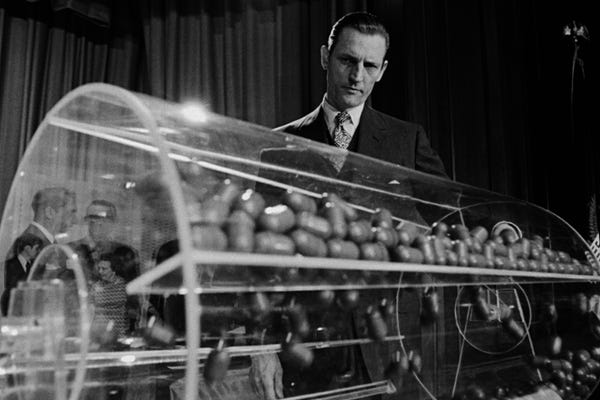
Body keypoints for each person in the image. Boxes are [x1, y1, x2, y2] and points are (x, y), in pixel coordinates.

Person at [276, 12, 447, 179]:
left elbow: (448, 199)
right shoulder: (280, 141)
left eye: (370, 65)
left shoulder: (409, 141)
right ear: (325, 58)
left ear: (382, 71)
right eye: (347, 60)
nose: (356, 77)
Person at [1, 233, 43, 315]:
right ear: (27, 248)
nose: (38, 251)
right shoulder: (7, 265)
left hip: (31, 310)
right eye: (36, 248)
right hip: (12, 310)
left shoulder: (36, 266)